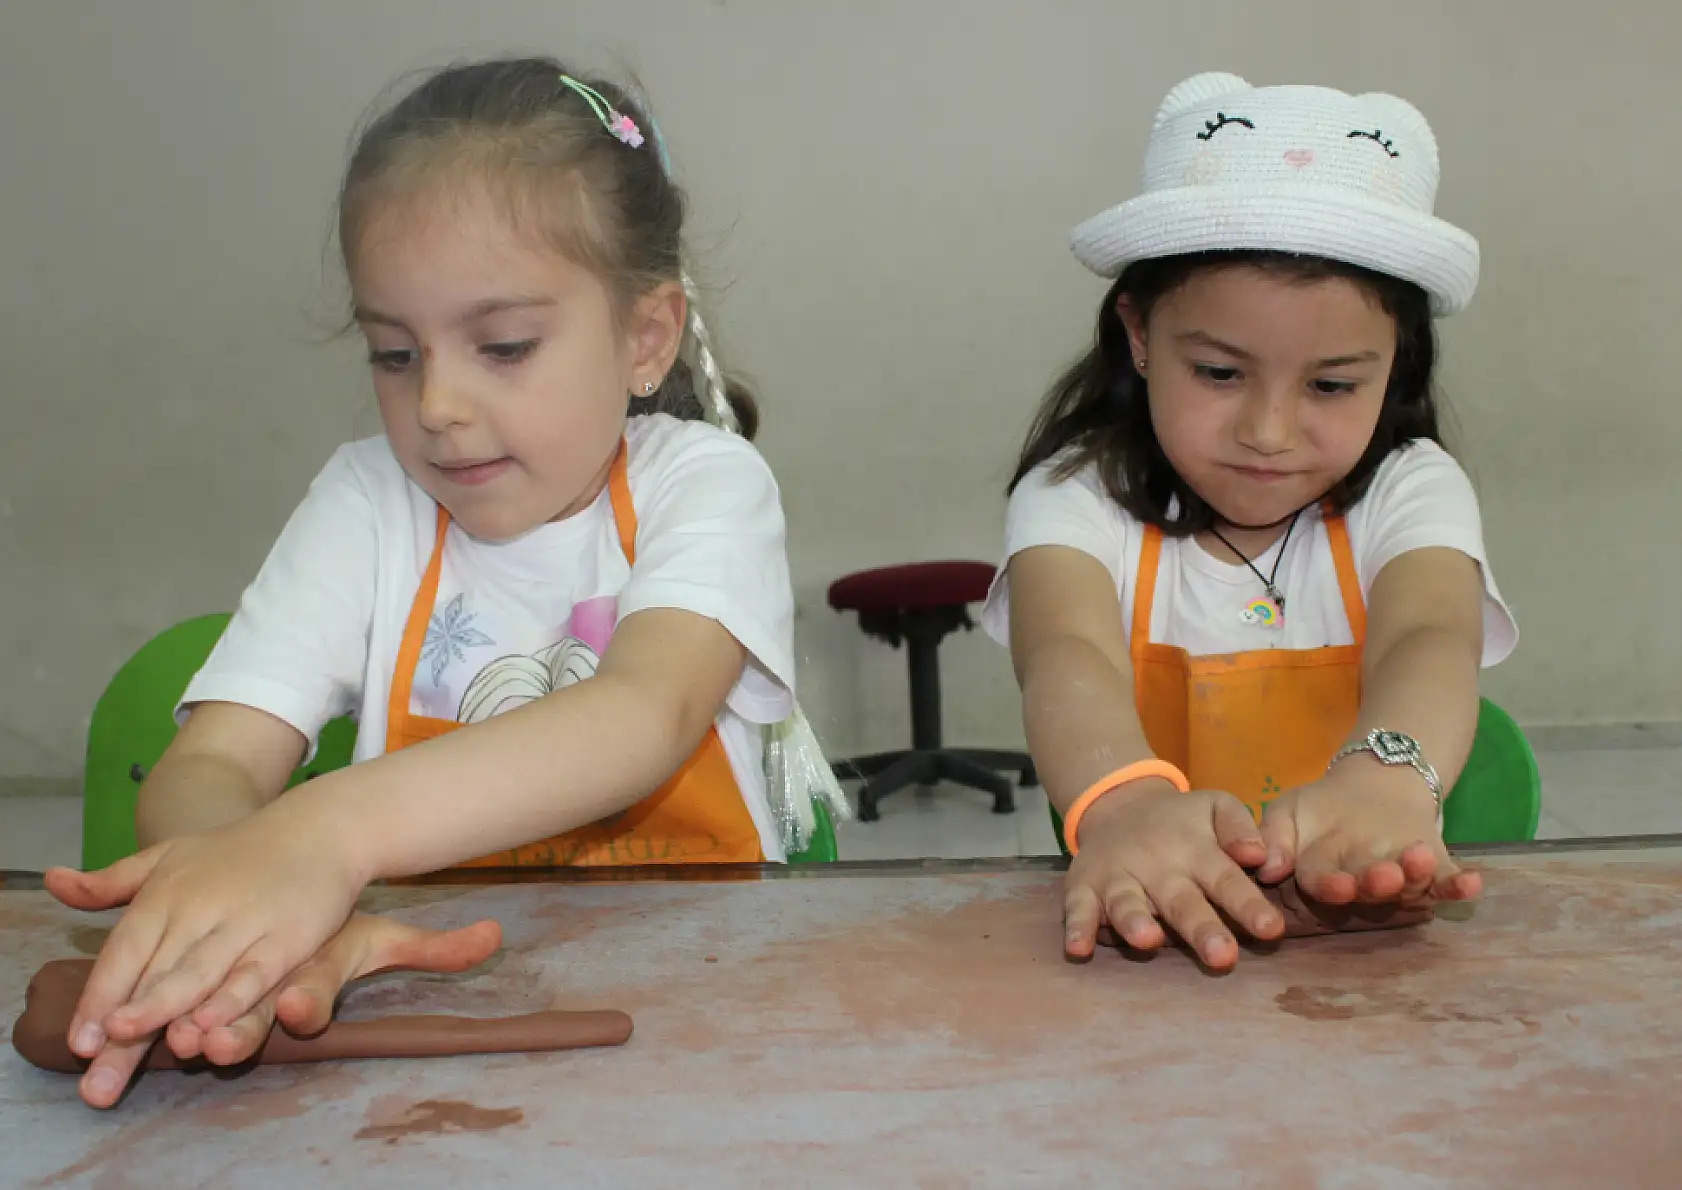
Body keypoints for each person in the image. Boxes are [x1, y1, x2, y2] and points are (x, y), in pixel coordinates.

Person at [49, 56, 828, 1108]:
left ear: (643, 335)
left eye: (501, 346)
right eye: (393, 354)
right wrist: (255, 923)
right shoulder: (368, 499)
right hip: (423, 1022)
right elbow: (215, 759)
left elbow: (642, 712)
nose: (439, 404)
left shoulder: (705, 484)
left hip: (709, 1017)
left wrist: (324, 832)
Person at [983, 73, 1516, 971]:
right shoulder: (1073, 494)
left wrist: (1387, 784)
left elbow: (1429, 634)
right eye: (1221, 374)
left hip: (1359, 940)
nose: (1267, 433)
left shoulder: (1414, 488)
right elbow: (1065, 652)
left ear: (1398, 368)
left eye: (1332, 386)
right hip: (1166, 929)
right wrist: (1122, 807)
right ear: (1141, 335)